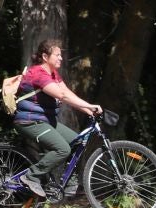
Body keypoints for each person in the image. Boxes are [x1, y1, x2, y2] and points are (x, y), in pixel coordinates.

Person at [12, 40, 102, 199]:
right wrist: (90, 105)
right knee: (63, 149)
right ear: (45, 57)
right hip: (30, 121)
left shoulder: (53, 73)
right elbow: (62, 96)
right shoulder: (38, 73)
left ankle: (69, 183)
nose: (61, 58)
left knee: (77, 142)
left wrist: (88, 110)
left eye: (61, 55)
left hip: (45, 120)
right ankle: (31, 176)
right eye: (57, 55)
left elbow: (68, 92)